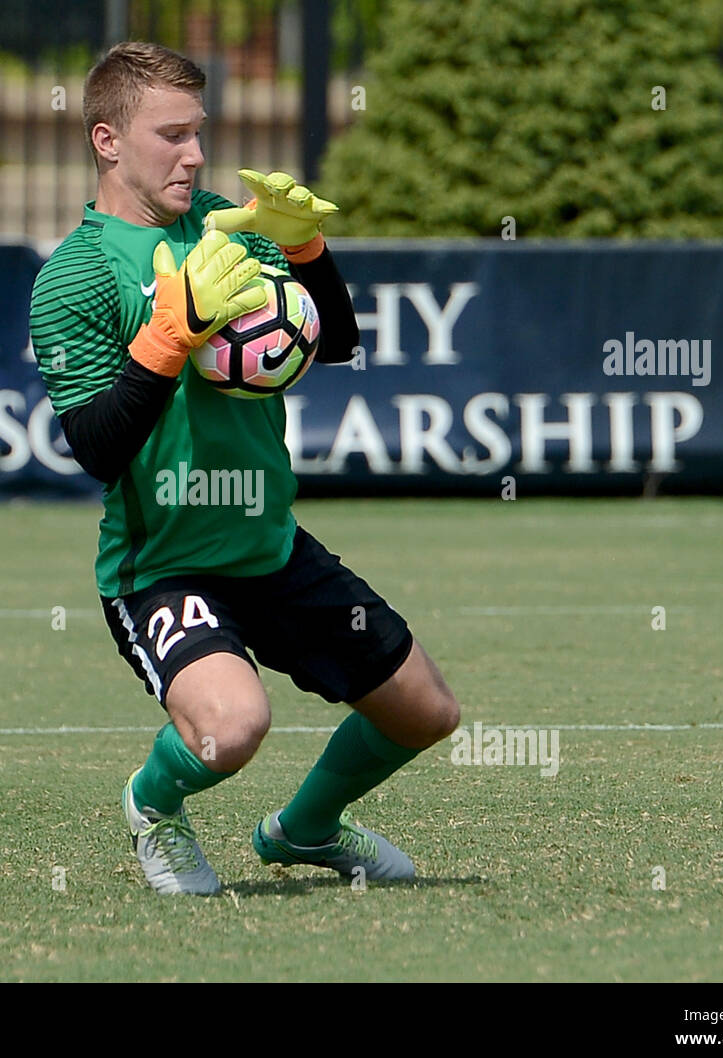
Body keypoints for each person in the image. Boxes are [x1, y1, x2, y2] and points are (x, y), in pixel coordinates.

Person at [29, 41, 459, 895]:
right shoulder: (73, 276)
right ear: (107, 140)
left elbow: (334, 341)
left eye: (200, 133)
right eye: (172, 135)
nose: (195, 155)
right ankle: (154, 807)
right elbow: (94, 449)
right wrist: (164, 339)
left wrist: (305, 253)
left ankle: (303, 832)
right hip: (162, 565)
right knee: (232, 726)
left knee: (426, 712)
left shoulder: (225, 223)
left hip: (270, 546)